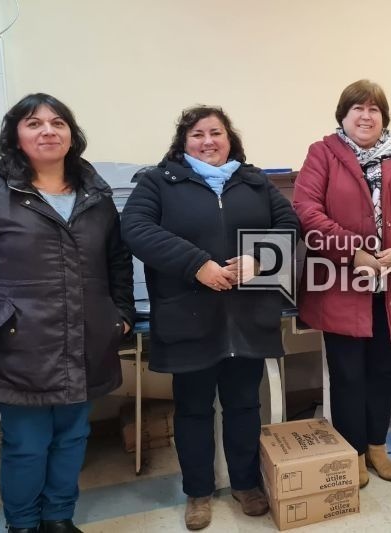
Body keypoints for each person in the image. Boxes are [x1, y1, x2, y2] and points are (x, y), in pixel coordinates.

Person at [0, 93, 134, 533]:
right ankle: (22, 524)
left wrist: (119, 313)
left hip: (85, 339)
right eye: (34, 122)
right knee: (27, 444)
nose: (48, 130)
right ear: (15, 136)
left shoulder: (95, 193)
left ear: (71, 135)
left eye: (58, 122)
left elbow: (117, 260)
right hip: (17, 342)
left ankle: (59, 519)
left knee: (73, 438)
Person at [120, 106, 298, 530]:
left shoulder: (253, 181)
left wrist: (260, 259)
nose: (207, 141)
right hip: (190, 314)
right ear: (184, 143)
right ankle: (198, 492)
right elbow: (136, 228)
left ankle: (245, 485)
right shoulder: (158, 182)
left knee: (243, 405)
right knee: (194, 409)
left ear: (229, 138)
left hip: (247, 315)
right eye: (197, 134)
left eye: (215, 133)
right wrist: (197, 264)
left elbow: (290, 224)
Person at [293, 79, 391, 488]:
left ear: (384, 117)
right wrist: (354, 252)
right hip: (339, 284)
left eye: (374, 109)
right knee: (348, 375)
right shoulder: (323, 154)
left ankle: (377, 447)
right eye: (358, 108)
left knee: (383, 372)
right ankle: (351, 452)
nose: (366, 116)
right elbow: (307, 211)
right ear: (343, 115)